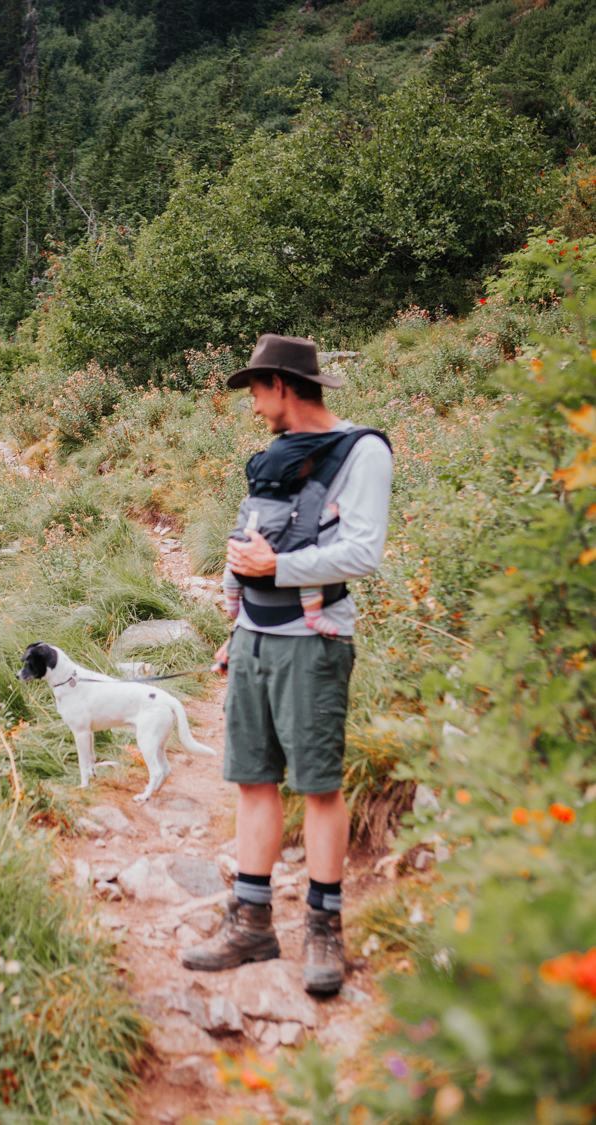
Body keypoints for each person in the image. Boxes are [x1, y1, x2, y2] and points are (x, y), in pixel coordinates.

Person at [181, 334, 393, 993]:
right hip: (255, 637)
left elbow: (363, 551)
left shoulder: (364, 451)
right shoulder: (273, 457)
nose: (253, 404)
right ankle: (252, 922)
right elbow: (250, 535)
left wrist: (281, 568)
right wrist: (237, 621)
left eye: (255, 389)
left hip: (315, 639)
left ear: (282, 386)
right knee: (253, 778)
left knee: (320, 785)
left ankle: (324, 930)